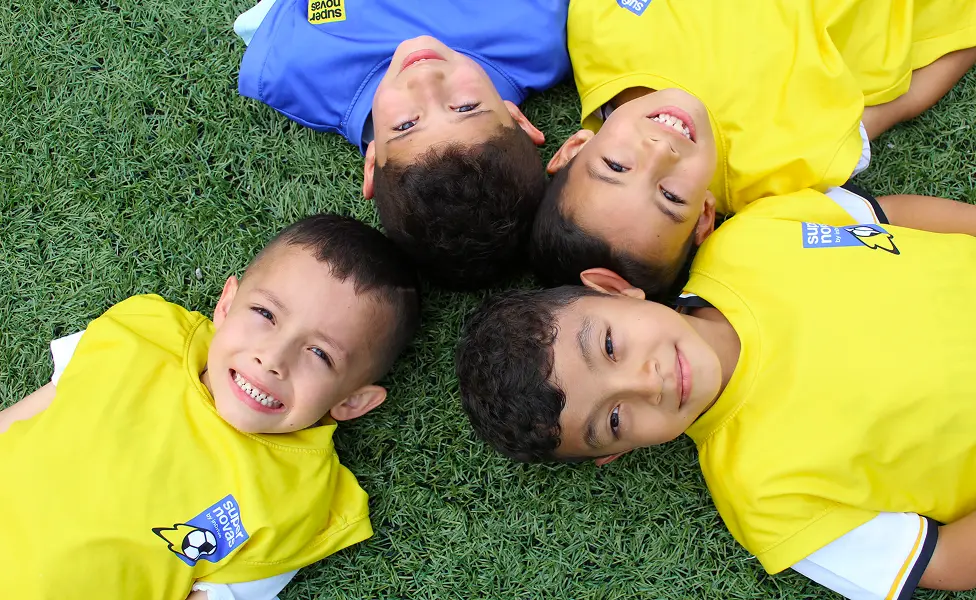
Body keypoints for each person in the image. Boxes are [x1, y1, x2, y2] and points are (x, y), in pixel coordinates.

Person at [456, 187, 976, 599]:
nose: (645, 382)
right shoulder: (763, 499)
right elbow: (947, 561)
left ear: (614, 290)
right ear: (614, 454)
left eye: (611, 345)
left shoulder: (749, 239)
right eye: (613, 419)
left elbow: (881, 215)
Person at [0, 214, 420, 600]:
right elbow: (33, 412)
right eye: (265, 313)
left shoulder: (294, 498)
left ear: (352, 400)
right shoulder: (141, 336)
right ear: (226, 304)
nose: (272, 359)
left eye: (319, 354)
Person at [532, 0, 976, 299]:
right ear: (704, 216)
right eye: (670, 196)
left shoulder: (598, 35)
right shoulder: (781, 168)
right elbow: (904, 99)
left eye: (617, 165)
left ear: (573, 149)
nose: (660, 152)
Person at [234, 0, 571, 288]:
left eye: (407, 124)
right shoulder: (538, 34)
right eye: (466, 107)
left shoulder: (297, 66)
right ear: (519, 122)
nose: (425, 80)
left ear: (373, 159)